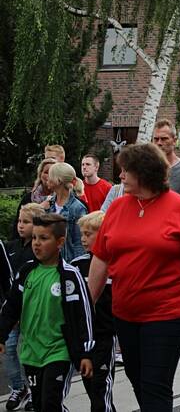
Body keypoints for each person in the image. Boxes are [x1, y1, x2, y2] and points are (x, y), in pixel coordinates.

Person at [88, 143, 180, 411]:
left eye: (126, 171)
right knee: (137, 379)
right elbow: (101, 257)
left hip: (169, 313)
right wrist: (86, 305)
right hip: (125, 313)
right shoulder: (117, 208)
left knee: (155, 383)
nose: (121, 176)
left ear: (145, 173)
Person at [0, 214, 94, 412]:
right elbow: (11, 307)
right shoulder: (26, 272)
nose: (36, 244)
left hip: (58, 352)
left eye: (43, 238)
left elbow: (83, 315)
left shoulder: (69, 275)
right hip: (32, 353)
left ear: (60, 242)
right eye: (34, 238)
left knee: (51, 403)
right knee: (41, 405)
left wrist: (85, 352)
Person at [70, 211, 117, 412]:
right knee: (91, 387)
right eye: (82, 233)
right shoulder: (76, 266)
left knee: (101, 388)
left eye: (89, 234)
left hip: (104, 336)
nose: (83, 238)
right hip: (83, 340)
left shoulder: (117, 265)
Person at [0, 204, 44, 411]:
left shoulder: (39, 252)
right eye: (19, 221)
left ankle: (35, 390)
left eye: (26, 222)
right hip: (12, 310)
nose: (20, 226)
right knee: (9, 351)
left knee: (28, 352)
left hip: (32, 311)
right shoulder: (10, 247)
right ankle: (19, 388)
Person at [44, 162, 88, 261]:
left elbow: (80, 243)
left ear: (58, 180)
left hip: (68, 263)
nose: (47, 178)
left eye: (50, 175)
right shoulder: (48, 204)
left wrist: (77, 267)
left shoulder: (78, 208)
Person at [11, 157, 57, 240]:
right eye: (46, 172)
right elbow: (17, 224)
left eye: (52, 173)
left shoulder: (61, 199)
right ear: (40, 174)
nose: (49, 176)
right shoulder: (29, 198)